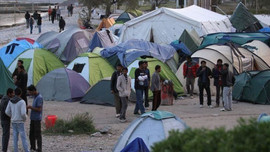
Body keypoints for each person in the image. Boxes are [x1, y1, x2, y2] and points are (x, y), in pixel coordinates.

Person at [5, 88, 29, 152]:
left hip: (13, 121)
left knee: (15, 138)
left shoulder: (11, 101)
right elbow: (23, 113)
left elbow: (7, 111)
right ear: (20, 93)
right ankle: (26, 150)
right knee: (23, 137)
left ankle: (15, 150)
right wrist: (25, 118)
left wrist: (12, 116)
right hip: (20, 121)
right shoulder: (22, 101)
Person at [27, 85, 43, 152]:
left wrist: (31, 107)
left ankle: (39, 148)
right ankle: (33, 147)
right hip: (33, 118)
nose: (29, 94)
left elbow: (39, 109)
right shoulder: (35, 97)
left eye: (30, 92)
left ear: (33, 91)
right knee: (31, 134)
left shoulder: (39, 98)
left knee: (37, 134)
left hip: (37, 119)